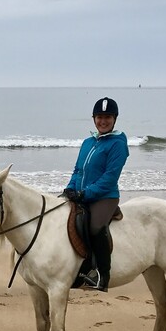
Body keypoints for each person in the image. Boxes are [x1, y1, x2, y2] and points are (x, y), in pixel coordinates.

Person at [62, 97, 130, 291]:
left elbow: (109, 178)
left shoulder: (117, 144)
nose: (103, 121)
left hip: (105, 197)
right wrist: (70, 188)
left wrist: (85, 194)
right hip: (82, 194)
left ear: (114, 119)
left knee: (94, 227)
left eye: (107, 117)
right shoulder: (88, 142)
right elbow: (78, 170)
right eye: (99, 117)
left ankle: (101, 274)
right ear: (94, 118)